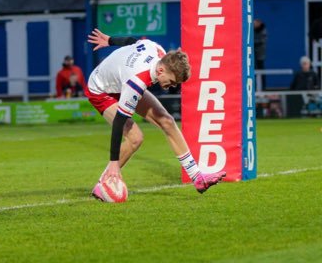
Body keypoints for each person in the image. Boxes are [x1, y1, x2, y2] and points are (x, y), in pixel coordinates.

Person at [85, 28, 226, 200]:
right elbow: (119, 122)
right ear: (160, 71)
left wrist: (110, 40)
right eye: (172, 82)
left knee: (166, 120)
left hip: (120, 81)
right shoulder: (136, 82)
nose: (172, 86)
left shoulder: (157, 50)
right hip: (101, 89)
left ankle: (197, 177)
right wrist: (114, 162)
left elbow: (133, 41)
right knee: (135, 138)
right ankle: (104, 182)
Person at [254, 19, 267, 90]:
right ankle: (255, 88)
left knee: (261, 72)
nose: (254, 24)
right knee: (254, 72)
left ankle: (263, 88)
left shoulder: (263, 31)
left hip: (260, 56)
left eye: (255, 23)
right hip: (254, 56)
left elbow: (261, 41)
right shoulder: (253, 30)